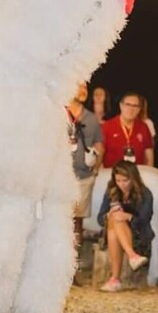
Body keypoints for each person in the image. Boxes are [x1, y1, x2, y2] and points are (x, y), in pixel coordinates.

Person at [66, 81, 103, 283]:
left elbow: (99, 143)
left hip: (82, 176)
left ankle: (73, 267)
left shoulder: (91, 118)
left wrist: (96, 166)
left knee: (77, 223)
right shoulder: (59, 113)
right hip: (60, 177)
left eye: (85, 88)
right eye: (78, 86)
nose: (82, 91)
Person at [96, 161, 153, 292]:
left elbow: (145, 219)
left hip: (138, 233)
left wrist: (128, 217)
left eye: (125, 180)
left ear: (133, 178)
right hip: (113, 233)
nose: (122, 184)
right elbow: (100, 218)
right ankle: (132, 256)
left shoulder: (145, 194)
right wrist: (109, 215)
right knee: (114, 219)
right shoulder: (111, 192)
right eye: (118, 180)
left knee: (116, 220)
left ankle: (115, 278)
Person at [101, 92, 154, 168]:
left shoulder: (143, 127)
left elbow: (149, 159)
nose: (131, 109)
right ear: (121, 105)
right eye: (128, 105)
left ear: (139, 109)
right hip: (113, 175)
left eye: (135, 106)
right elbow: (99, 157)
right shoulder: (107, 126)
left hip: (137, 175)